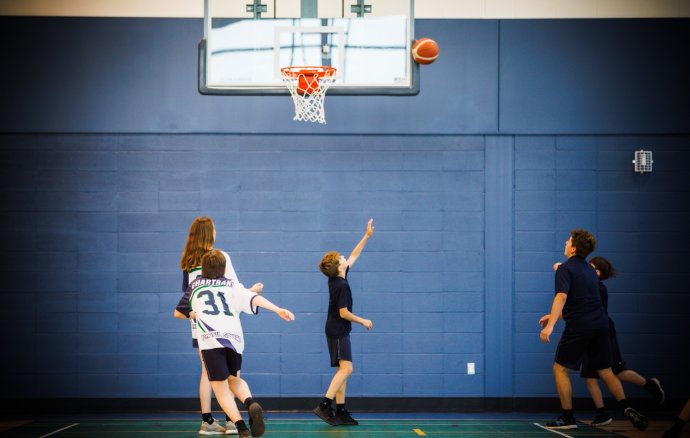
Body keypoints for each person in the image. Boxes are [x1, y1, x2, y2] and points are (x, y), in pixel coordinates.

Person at [539, 229, 648, 431]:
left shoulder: (565, 268)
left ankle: (568, 417)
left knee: (560, 368)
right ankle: (626, 406)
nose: (564, 242)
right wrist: (553, 315)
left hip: (580, 327)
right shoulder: (590, 270)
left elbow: (562, 297)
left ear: (573, 248)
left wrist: (552, 325)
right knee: (606, 370)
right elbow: (584, 301)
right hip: (601, 326)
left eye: (567, 241)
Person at [180, 249, 295, 438]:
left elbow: (178, 312)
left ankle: (241, 427)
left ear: (203, 269)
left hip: (211, 340)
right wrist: (277, 309)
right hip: (234, 339)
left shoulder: (195, 286)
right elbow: (253, 298)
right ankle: (250, 403)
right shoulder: (232, 285)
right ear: (225, 269)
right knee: (234, 380)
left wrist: (191, 314)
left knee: (220, 388)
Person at [174, 216, 263, 435]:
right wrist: (250, 292)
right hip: (224, 324)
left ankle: (207, 421)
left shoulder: (188, 261)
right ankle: (233, 420)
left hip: (199, 323)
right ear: (209, 233)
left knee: (208, 373)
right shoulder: (220, 256)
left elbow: (188, 295)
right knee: (233, 375)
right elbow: (232, 287)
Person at [573, 256, 664, 426]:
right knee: (590, 377)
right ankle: (602, 413)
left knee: (618, 372)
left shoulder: (598, 289)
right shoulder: (587, 286)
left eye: (592, 268)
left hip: (603, 332)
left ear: (598, 273)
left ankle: (649, 385)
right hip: (588, 333)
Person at [313, 219, 375, 427]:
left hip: (335, 329)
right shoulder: (341, 285)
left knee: (343, 370)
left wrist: (366, 236)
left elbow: (354, 254)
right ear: (339, 267)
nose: (344, 257)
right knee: (347, 370)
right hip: (338, 330)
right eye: (341, 258)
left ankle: (340, 410)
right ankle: (324, 405)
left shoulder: (337, 278)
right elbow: (344, 312)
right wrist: (363, 321)